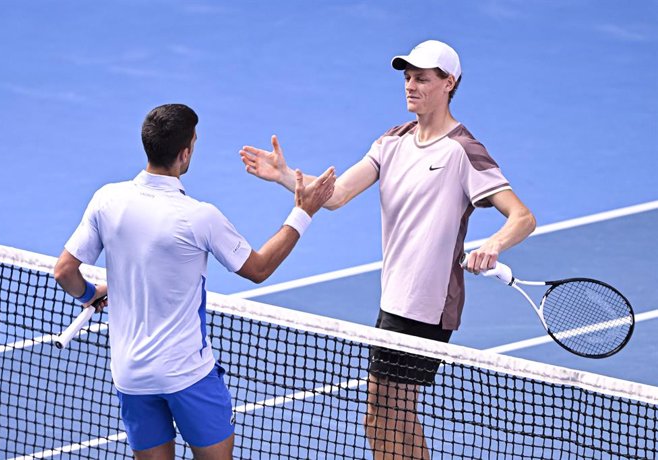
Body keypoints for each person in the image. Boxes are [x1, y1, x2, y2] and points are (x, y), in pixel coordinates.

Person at [239, 40, 536, 459]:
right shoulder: (392, 141)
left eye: (422, 79)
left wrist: (493, 244)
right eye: (408, 78)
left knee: (385, 413)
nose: (411, 86)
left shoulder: (464, 151)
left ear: (449, 83)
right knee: (390, 414)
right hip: (395, 297)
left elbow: (522, 217)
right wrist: (286, 177)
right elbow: (337, 195)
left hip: (428, 303)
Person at [53, 103, 335, 460]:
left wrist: (91, 293)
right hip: (188, 376)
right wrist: (304, 212)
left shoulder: (107, 199)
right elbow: (259, 269)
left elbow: (65, 271)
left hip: (131, 376)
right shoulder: (199, 217)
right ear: (185, 153)